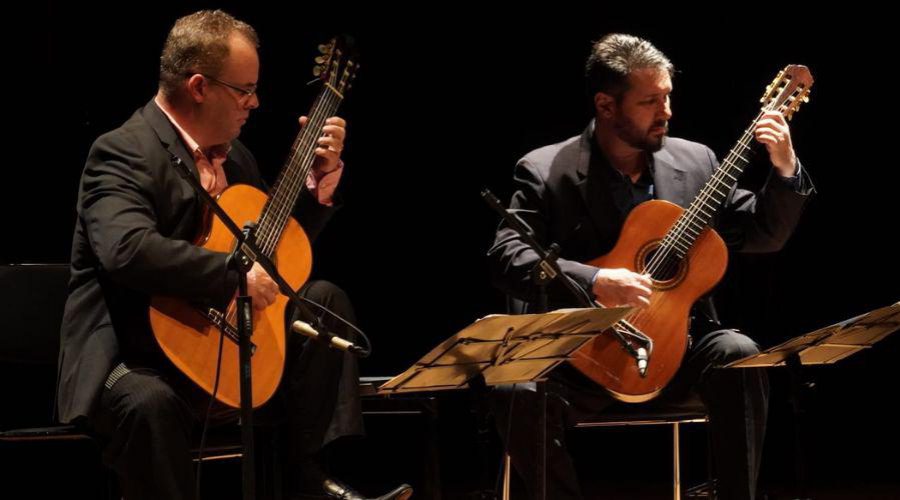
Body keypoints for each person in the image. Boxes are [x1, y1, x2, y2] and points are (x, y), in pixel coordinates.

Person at [56, 9, 411, 500]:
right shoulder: (123, 150)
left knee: (323, 303)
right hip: (135, 356)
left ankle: (312, 481)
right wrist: (233, 273)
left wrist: (316, 191)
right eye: (244, 90)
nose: (255, 102)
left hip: (220, 346)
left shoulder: (236, 156)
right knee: (149, 404)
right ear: (199, 86)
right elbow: (126, 250)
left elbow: (273, 255)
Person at [487, 33, 814, 500]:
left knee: (739, 351)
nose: (667, 112)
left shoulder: (696, 160)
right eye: (649, 101)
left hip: (673, 348)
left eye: (667, 97)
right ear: (606, 105)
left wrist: (784, 165)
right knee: (513, 388)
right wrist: (598, 280)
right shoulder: (545, 170)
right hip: (580, 357)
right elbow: (508, 257)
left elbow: (764, 234)